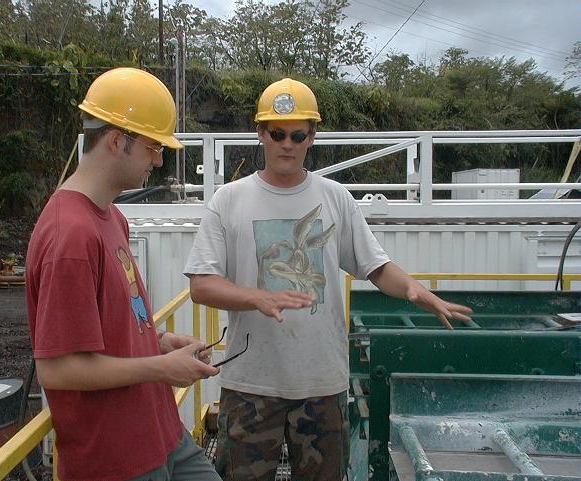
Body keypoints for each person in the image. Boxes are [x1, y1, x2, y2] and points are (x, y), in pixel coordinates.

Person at [183, 77, 473, 481]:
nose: (287, 144)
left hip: (322, 385)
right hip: (250, 386)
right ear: (260, 133)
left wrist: (415, 291)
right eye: (277, 133)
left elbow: (376, 267)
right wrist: (258, 297)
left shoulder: (336, 197)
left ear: (312, 137)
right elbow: (201, 285)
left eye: (297, 135)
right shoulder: (228, 200)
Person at [25, 67, 221, 481]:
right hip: (117, 460)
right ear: (116, 140)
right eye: (153, 147)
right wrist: (163, 368)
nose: (159, 160)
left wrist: (161, 343)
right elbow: (57, 370)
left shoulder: (112, 217)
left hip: (162, 435)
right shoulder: (70, 235)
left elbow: (114, 326)